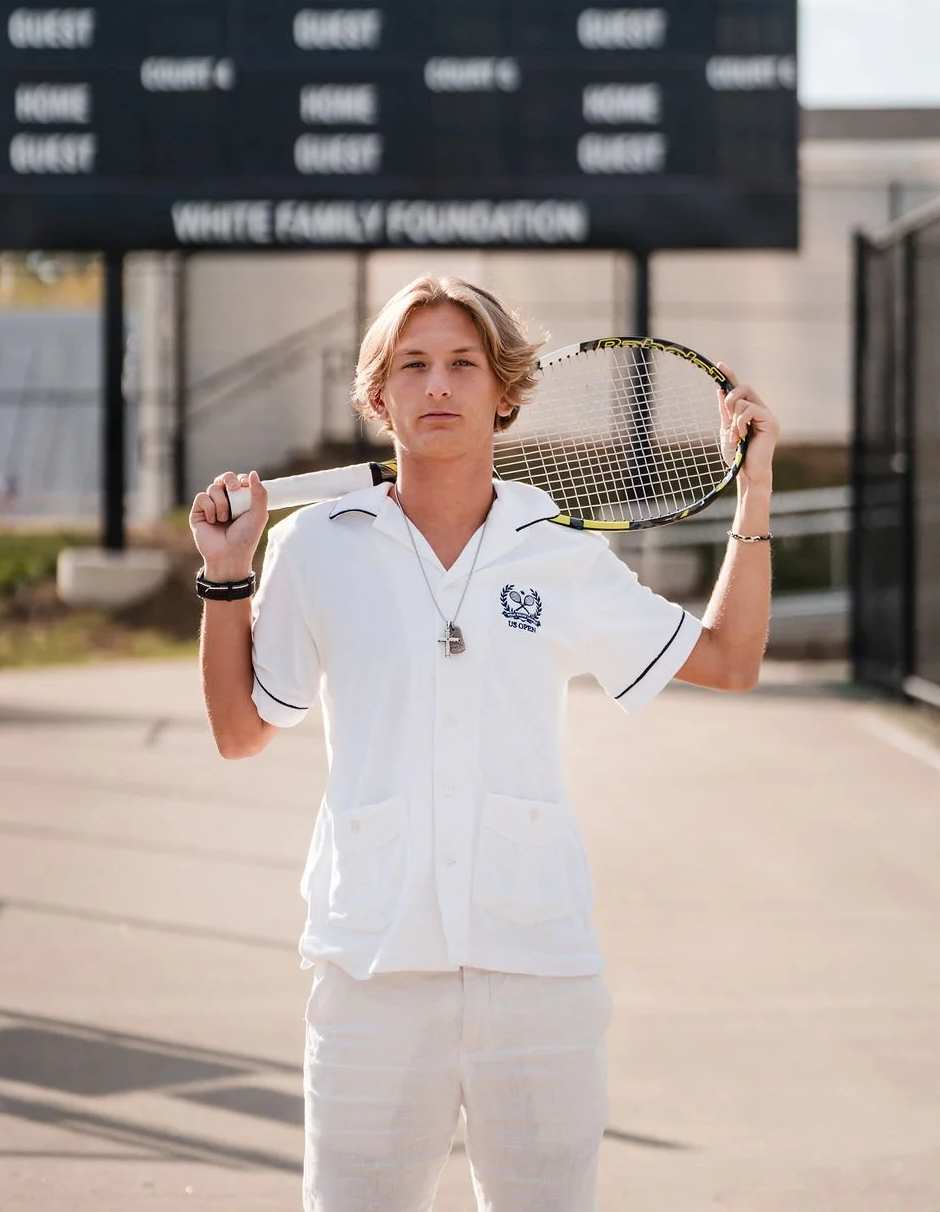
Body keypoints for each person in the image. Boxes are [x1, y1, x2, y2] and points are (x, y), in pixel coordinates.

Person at [189, 274, 777, 1212]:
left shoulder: (558, 550)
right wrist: (227, 576)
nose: (438, 387)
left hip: (537, 970)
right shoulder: (315, 546)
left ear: (504, 390)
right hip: (371, 972)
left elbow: (732, 660)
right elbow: (241, 731)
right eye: (412, 365)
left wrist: (755, 494)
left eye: (463, 364)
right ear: (377, 395)